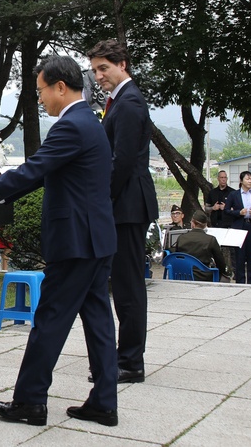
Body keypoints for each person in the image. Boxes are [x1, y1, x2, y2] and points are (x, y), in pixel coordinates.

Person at [0, 55, 119, 428]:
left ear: (60, 87)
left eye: (41, 91)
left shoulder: (71, 125)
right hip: (97, 238)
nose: (39, 99)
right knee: (99, 320)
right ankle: (104, 401)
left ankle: (29, 402)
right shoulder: (89, 122)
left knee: (51, 319)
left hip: (76, 241)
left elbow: (32, 170)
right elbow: (42, 176)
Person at [87, 39, 158, 384]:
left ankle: (131, 362)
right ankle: (122, 355)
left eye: (104, 68)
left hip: (127, 205)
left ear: (122, 64)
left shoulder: (128, 102)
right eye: (95, 70)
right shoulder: (119, 101)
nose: (98, 75)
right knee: (123, 283)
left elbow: (122, 162)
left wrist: (99, 199)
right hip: (123, 204)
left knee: (128, 286)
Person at [223, 170, 251, 284]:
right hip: (239, 227)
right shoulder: (234, 194)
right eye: (247, 179)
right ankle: (240, 280)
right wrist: (238, 212)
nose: (250, 181)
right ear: (241, 180)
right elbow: (227, 210)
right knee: (240, 256)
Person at [174, 211, 230, 281]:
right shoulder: (211, 239)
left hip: (183, 275)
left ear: (193, 224)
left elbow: (176, 257)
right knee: (225, 279)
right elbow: (220, 262)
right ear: (205, 225)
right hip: (204, 276)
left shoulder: (181, 238)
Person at [205, 170, 237, 278]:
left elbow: (237, 209)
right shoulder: (212, 193)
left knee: (232, 250)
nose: (223, 179)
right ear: (218, 179)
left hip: (229, 224)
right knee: (216, 249)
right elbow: (206, 208)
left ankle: (235, 272)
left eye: (225, 178)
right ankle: (218, 271)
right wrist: (213, 208)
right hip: (216, 224)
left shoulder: (233, 193)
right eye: (221, 177)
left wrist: (226, 208)